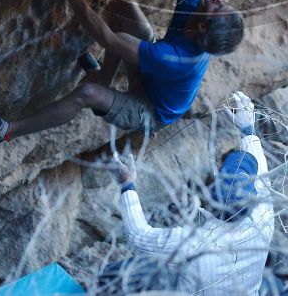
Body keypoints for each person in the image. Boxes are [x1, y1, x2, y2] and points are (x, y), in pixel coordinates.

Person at [0, 0, 244, 142]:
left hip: (149, 110)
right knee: (122, 10)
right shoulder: (193, 4)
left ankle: (7, 131)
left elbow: (107, 39)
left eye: (218, 8)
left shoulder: (173, 58)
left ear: (201, 26)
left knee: (88, 94)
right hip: (155, 73)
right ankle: (103, 77)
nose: (218, 0)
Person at [104, 91, 275, 295]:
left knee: (129, 272)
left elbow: (138, 237)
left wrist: (126, 185)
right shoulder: (262, 217)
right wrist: (248, 129)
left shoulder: (193, 244)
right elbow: (263, 175)